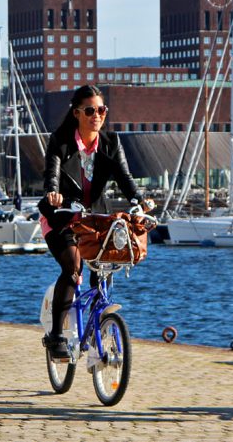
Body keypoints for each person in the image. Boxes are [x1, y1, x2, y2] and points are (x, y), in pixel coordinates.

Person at [38, 85, 149, 359]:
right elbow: (51, 173)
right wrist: (53, 193)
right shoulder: (60, 141)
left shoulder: (111, 143)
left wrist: (139, 200)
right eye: (90, 110)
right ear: (77, 113)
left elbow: (125, 177)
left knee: (106, 264)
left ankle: (99, 327)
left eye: (101, 110)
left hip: (95, 219)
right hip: (62, 216)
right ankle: (55, 337)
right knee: (73, 267)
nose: (96, 115)